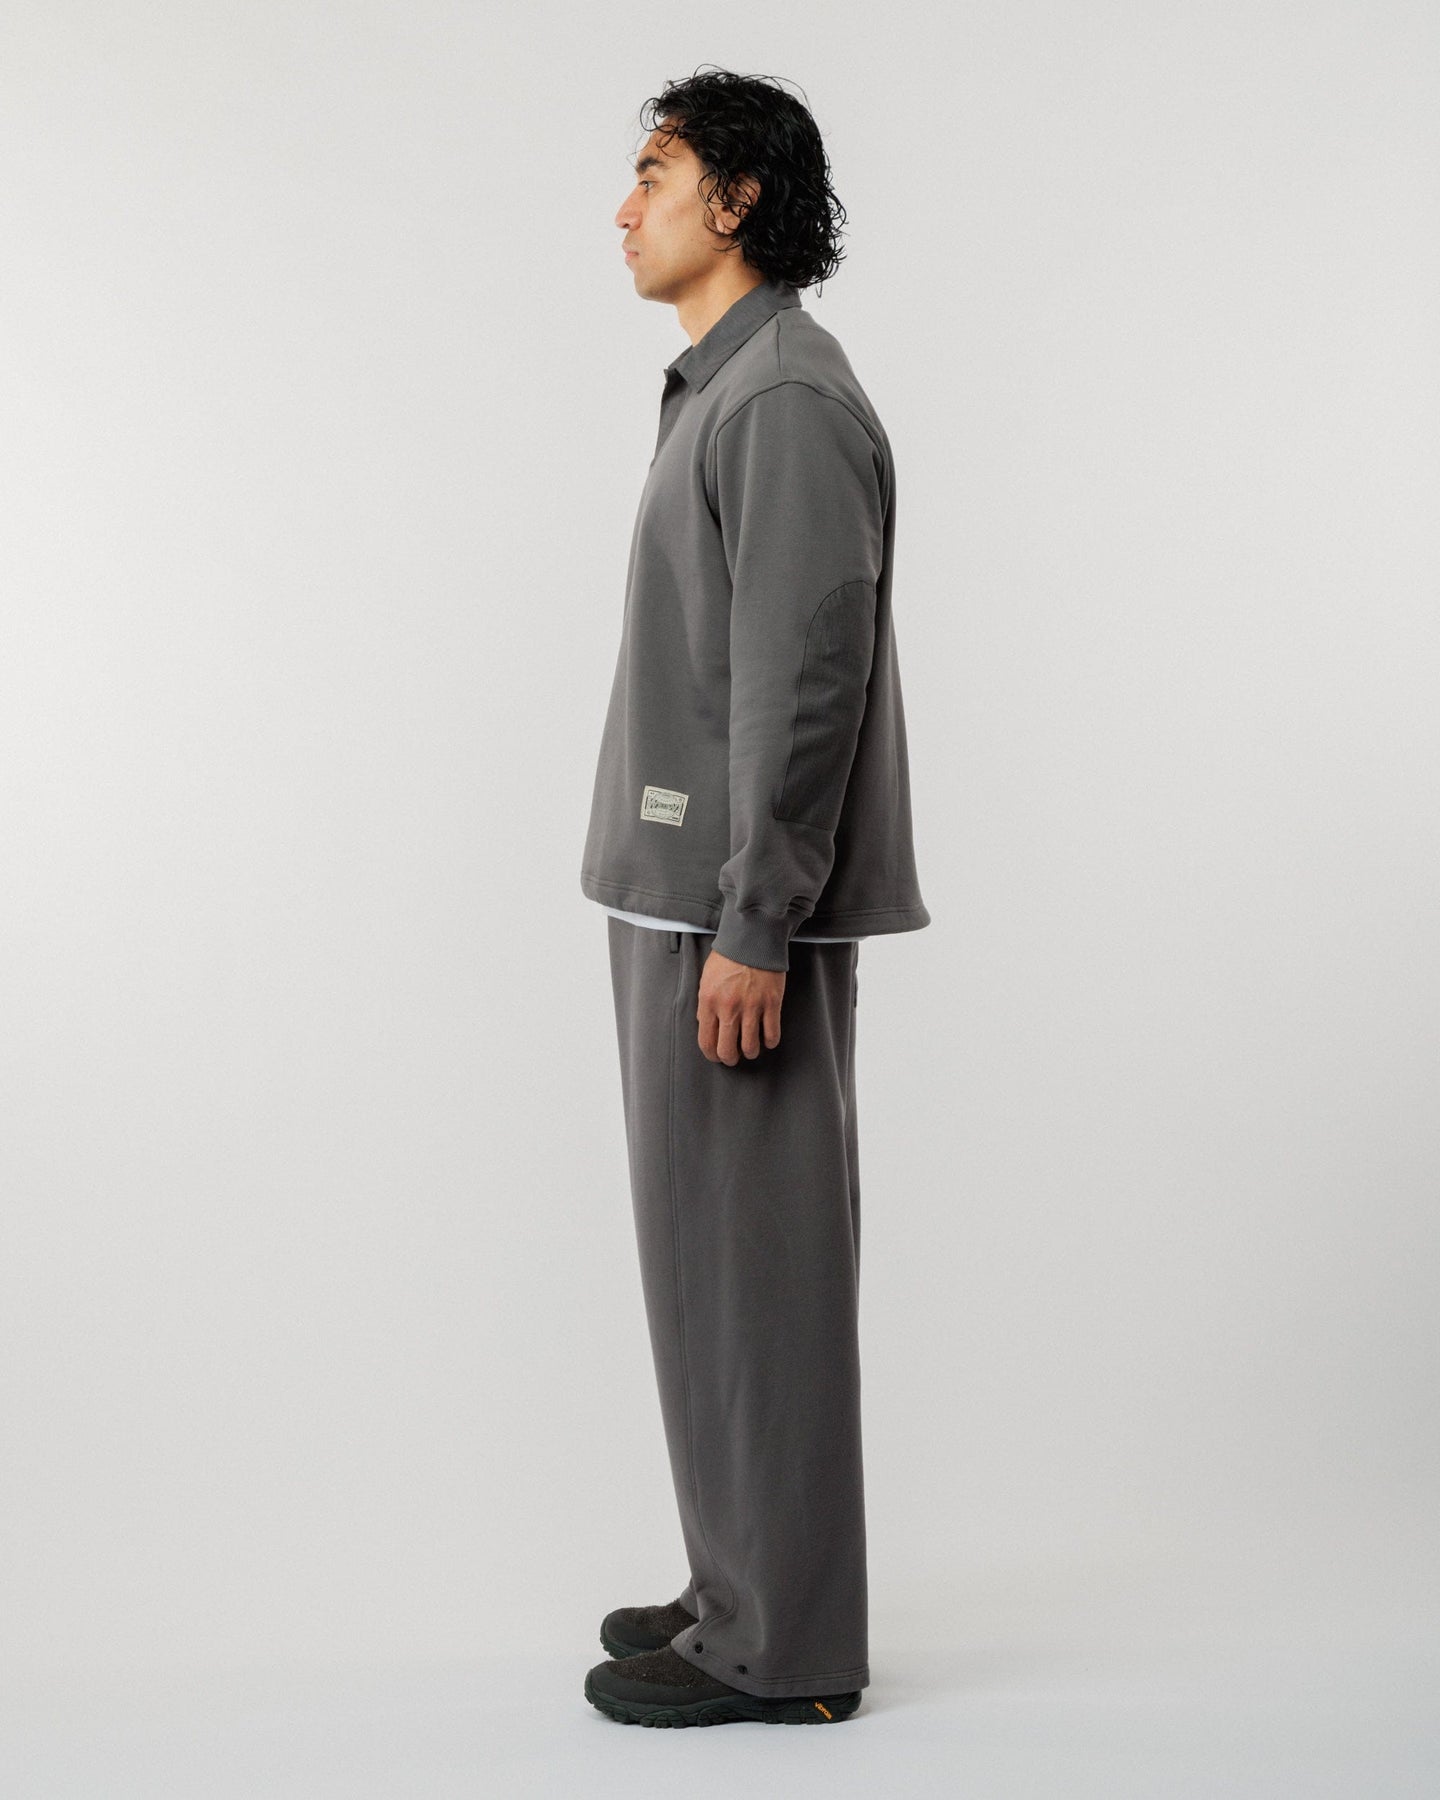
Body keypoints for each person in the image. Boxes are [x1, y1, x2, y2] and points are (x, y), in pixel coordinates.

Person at [579, 67, 930, 1728]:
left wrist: (756, 921)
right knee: (709, 1270)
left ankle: (780, 1644)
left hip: (730, 919)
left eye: (655, 172)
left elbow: (807, 681)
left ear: (737, 200)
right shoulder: (726, 385)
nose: (625, 205)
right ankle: (740, 1581)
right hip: (691, 901)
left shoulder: (781, 398)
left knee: (757, 1278)